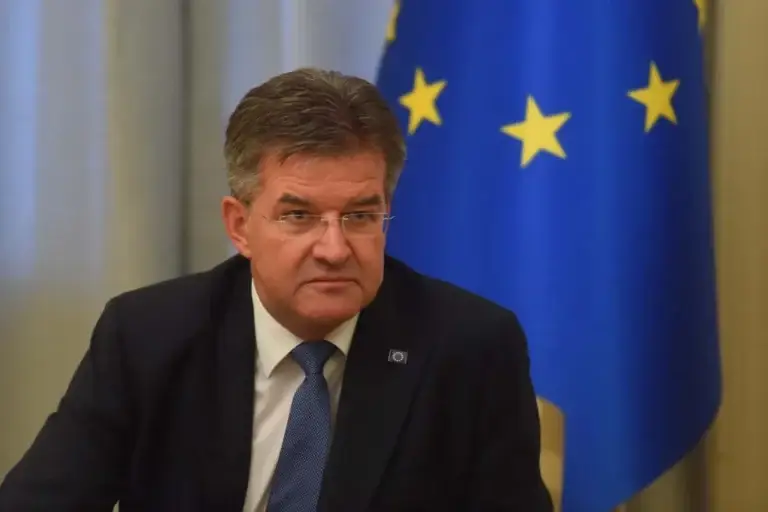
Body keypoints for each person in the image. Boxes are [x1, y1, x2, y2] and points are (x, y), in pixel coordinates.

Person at [0, 68, 553, 511]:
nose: (334, 248)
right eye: (299, 216)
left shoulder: (469, 347)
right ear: (240, 225)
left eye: (360, 216)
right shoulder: (148, 337)